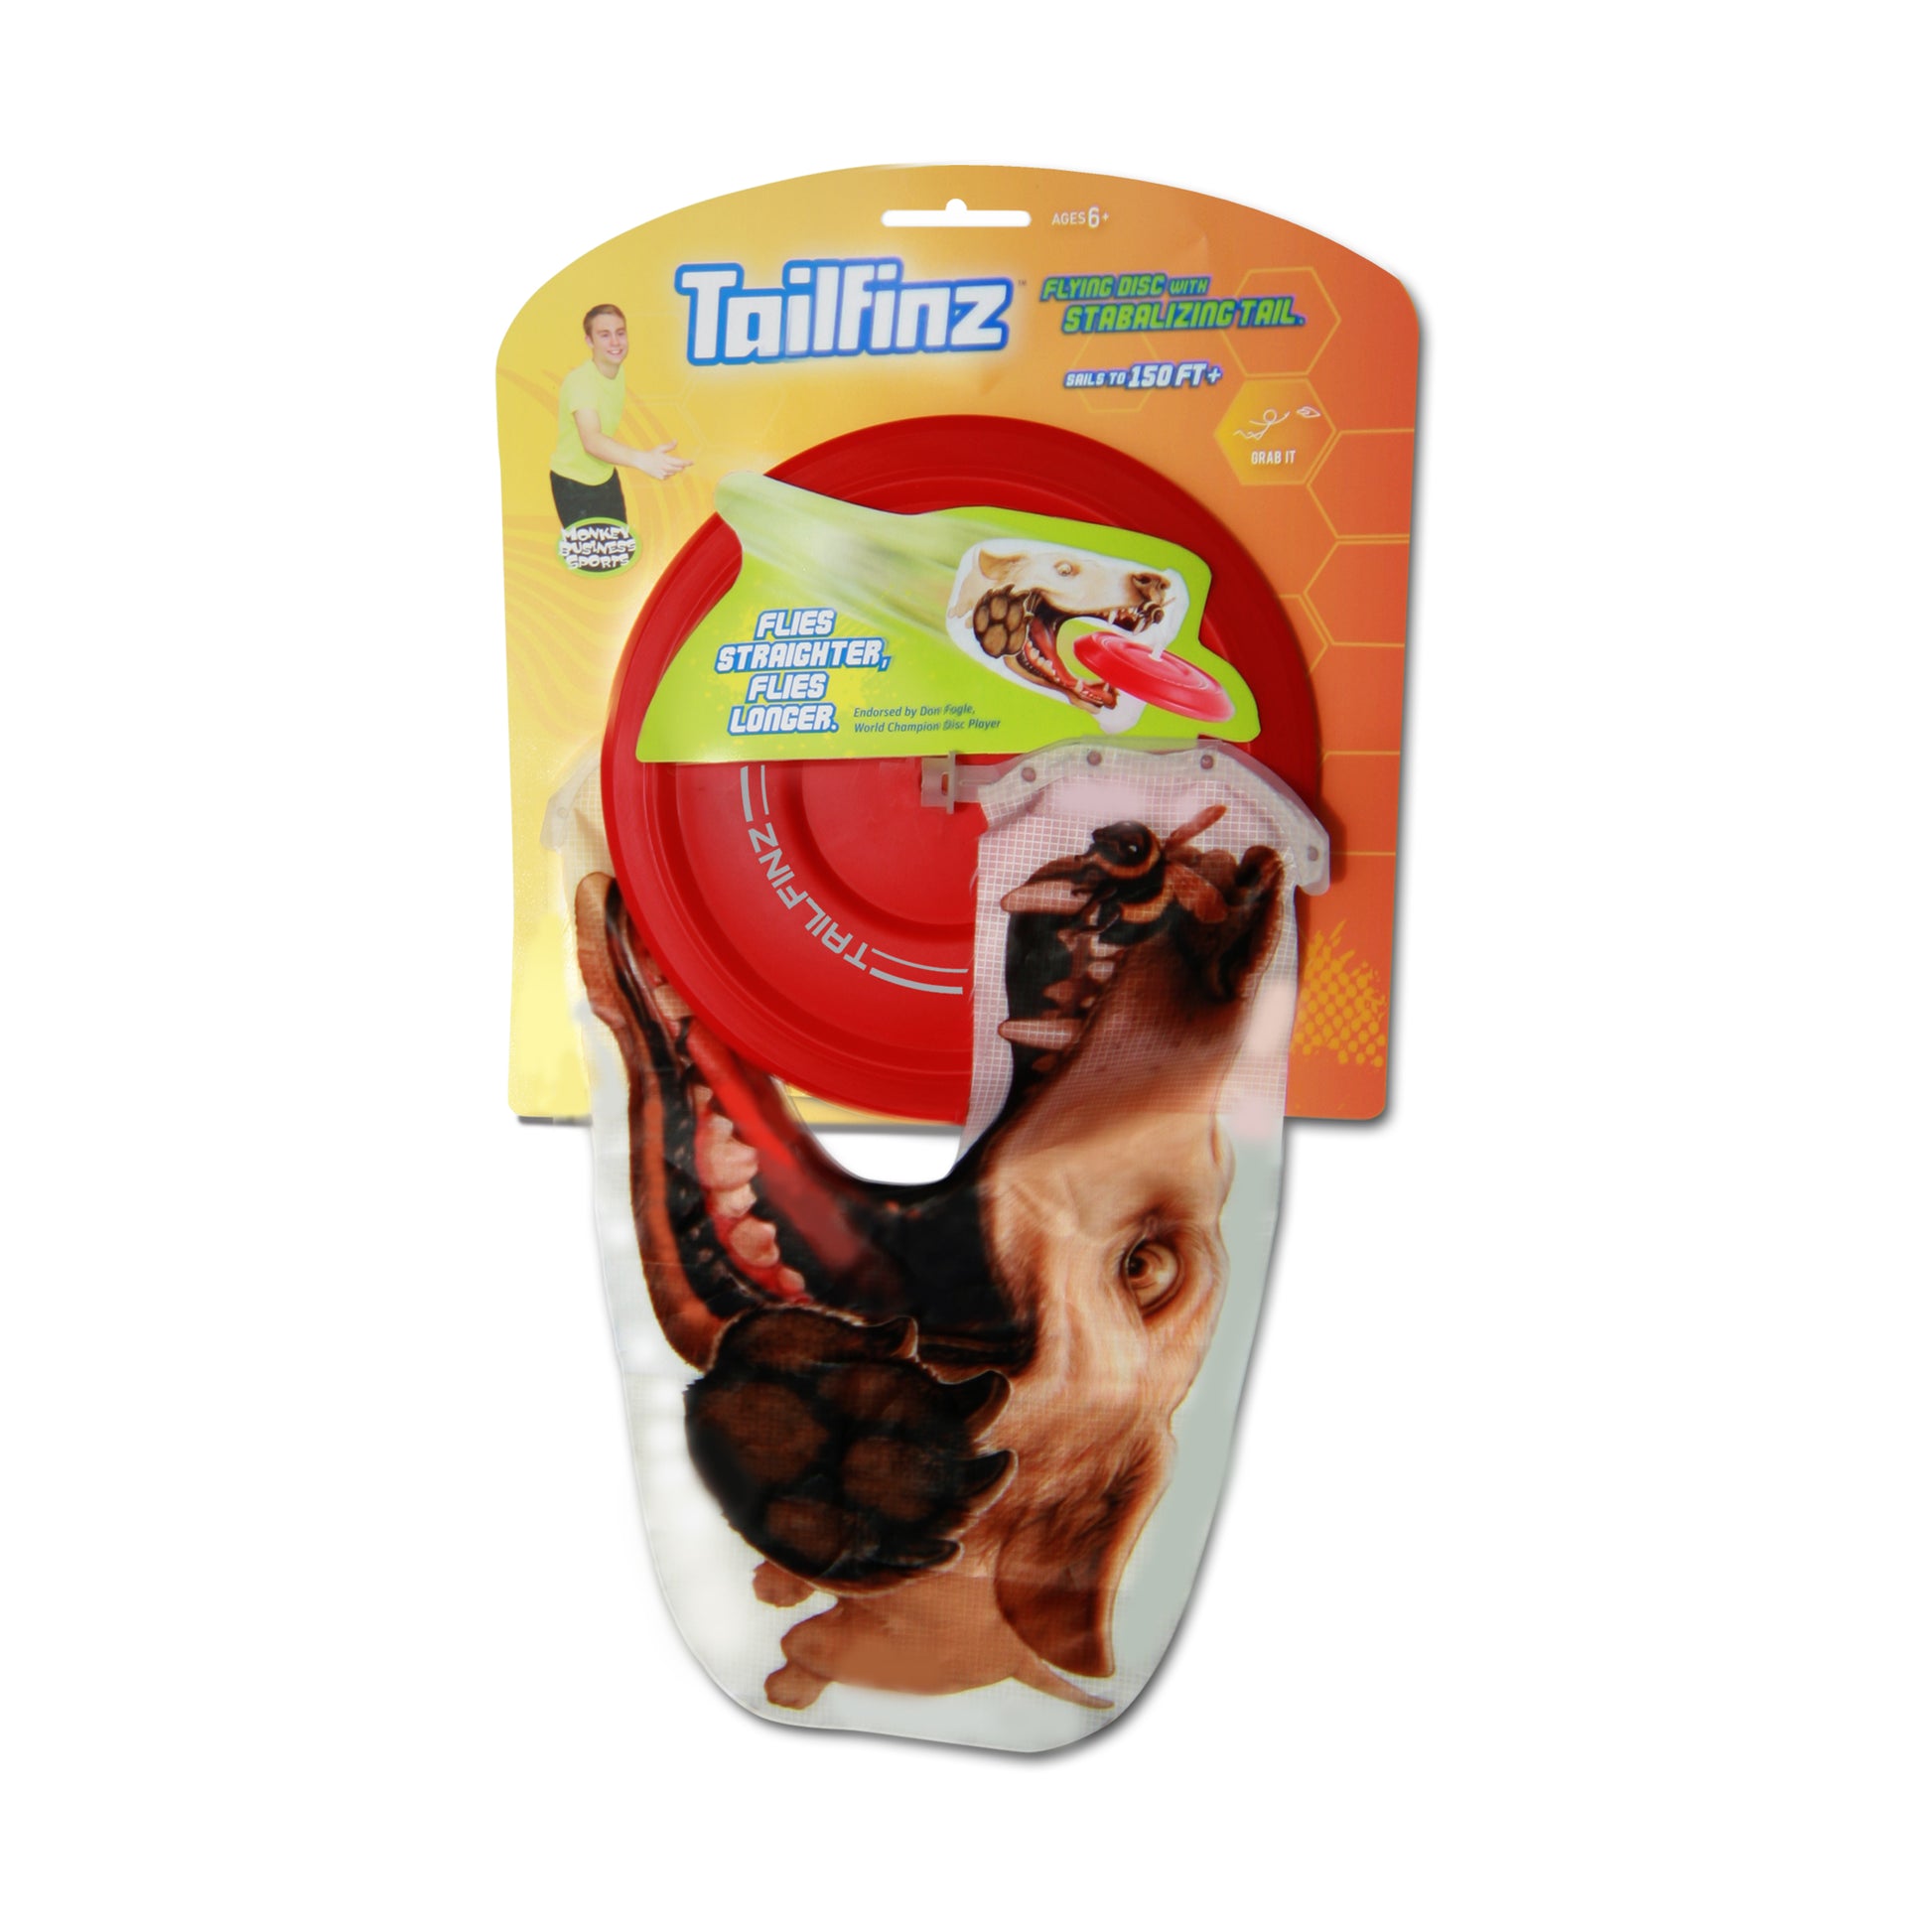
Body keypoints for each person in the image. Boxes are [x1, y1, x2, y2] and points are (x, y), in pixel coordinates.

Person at [548, 304, 691, 526]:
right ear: (589, 341)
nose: (615, 342)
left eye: (620, 333)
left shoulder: (615, 370)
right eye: (604, 335)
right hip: (573, 482)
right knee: (593, 550)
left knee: (623, 545)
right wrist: (643, 460)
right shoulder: (581, 383)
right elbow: (592, 440)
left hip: (604, 474)